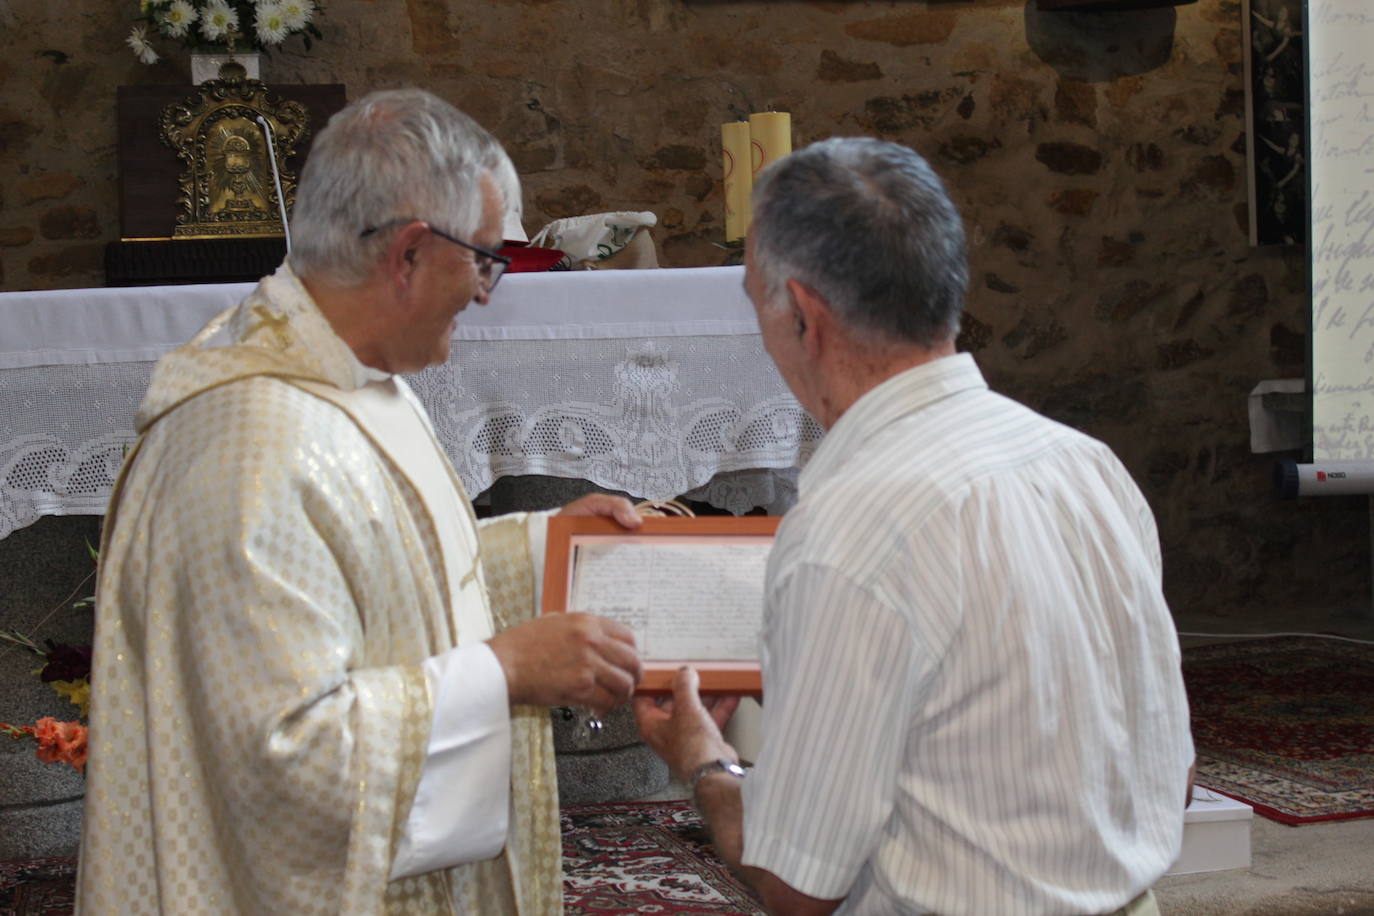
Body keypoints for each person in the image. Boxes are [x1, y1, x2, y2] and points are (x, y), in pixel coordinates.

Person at [78, 89, 643, 915]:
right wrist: (505, 670)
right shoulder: (250, 444)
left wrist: (542, 546)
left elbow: (379, 574)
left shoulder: (347, 375)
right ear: (410, 252)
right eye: (485, 260)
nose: (488, 291)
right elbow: (283, 754)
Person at [636, 137, 1196, 915]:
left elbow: (798, 886)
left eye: (751, 297)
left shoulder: (850, 530)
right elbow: (1170, 771)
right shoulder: (1085, 465)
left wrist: (702, 759)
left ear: (802, 315)